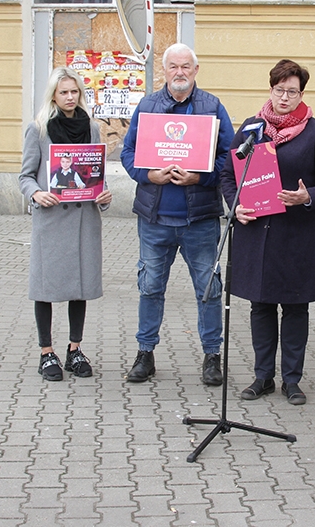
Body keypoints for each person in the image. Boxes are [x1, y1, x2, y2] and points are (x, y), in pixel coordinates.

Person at [221, 59, 315, 405]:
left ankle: (292, 380)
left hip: (296, 237)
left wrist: (308, 196)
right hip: (256, 234)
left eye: (292, 91)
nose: (284, 97)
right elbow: (229, 176)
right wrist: (235, 206)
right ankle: (262, 377)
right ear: (270, 90)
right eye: (279, 90)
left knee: (294, 309)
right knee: (260, 308)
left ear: (301, 94)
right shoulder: (251, 128)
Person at [120, 43, 235, 386]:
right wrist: (147, 174)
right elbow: (128, 152)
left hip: (199, 220)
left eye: (186, 66)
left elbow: (229, 158)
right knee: (150, 287)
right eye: (174, 67)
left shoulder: (212, 107)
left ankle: (212, 356)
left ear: (195, 70)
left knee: (209, 289)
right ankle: (145, 354)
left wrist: (202, 177)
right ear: (165, 70)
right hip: (155, 219)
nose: (180, 73)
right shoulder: (148, 106)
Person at [18, 67, 113, 381]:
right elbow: (25, 176)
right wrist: (37, 194)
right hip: (52, 219)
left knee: (80, 287)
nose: (70, 98)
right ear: (54, 96)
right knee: (44, 288)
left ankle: (75, 349)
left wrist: (104, 197)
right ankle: (46, 353)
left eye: (75, 92)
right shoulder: (39, 129)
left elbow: (97, 176)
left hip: (85, 218)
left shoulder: (92, 128)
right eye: (64, 93)